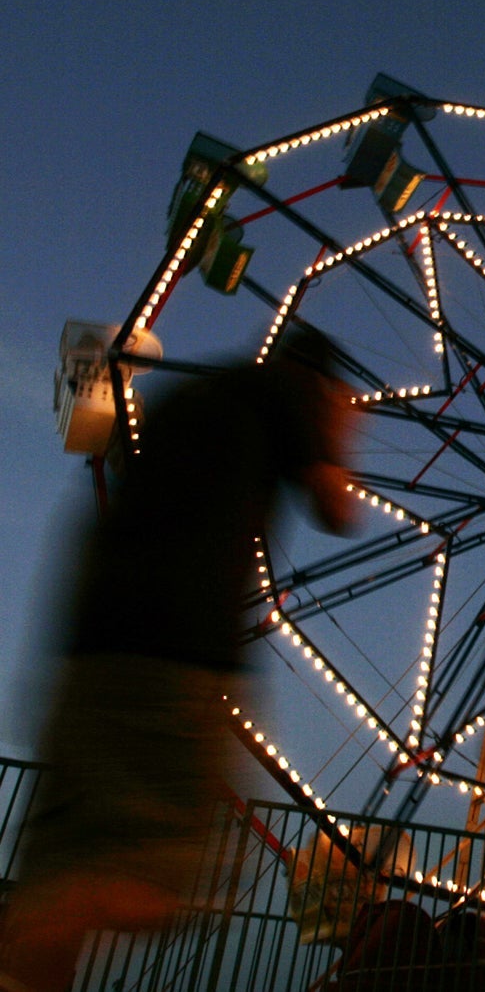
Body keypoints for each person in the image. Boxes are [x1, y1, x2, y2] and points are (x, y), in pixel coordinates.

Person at [0, 324, 362, 992]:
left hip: (88, 644)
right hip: (177, 652)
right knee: (175, 877)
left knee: (58, 861)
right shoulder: (288, 394)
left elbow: (125, 473)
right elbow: (337, 508)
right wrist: (338, 427)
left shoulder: (190, 397)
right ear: (317, 379)